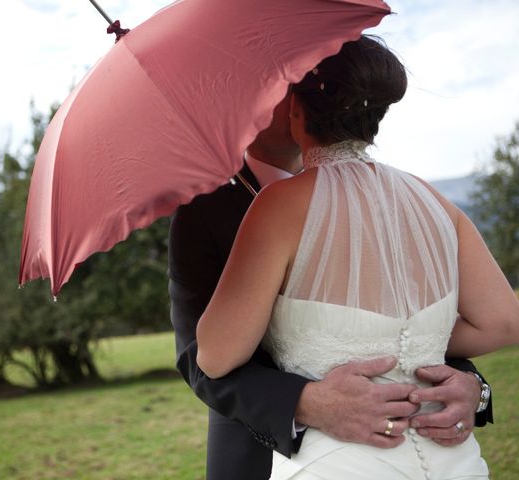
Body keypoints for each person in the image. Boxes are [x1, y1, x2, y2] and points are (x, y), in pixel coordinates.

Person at [169, 37, 493, 479]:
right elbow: (197, 356)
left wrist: (471, 384)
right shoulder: (202, 212)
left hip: (419, 439)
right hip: (262, 453)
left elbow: (406, 316)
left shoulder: (389, 197)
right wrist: (304, 402)